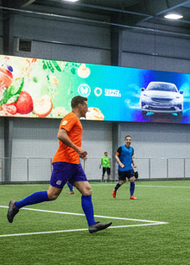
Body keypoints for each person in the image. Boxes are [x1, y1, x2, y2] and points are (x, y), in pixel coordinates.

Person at [6, 96, 111, 234]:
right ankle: (16, 205)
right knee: (52, 194)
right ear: (79, 105)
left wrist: (78, 152)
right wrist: (77, 148)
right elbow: (61, 134)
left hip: (74, 162)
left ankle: (92, 224)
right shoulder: (71, 117)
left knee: (87, 190)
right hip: (64, 161)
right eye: (86, 105)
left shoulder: (76, 120)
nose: (87, 108)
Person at [113, 135, 137, 200]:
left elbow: (131, 157)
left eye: (129, 140)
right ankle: (115, 190)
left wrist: (133, 164)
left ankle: (131, 195)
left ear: (131, 141)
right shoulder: (120, 148)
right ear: (125, 140)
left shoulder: (132, 149)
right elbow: (116, 156)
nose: (128, 141)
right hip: (122, 168)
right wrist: (120, 163)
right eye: (127, 140)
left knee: (132, 179)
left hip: (129, 168)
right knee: (122, 182)